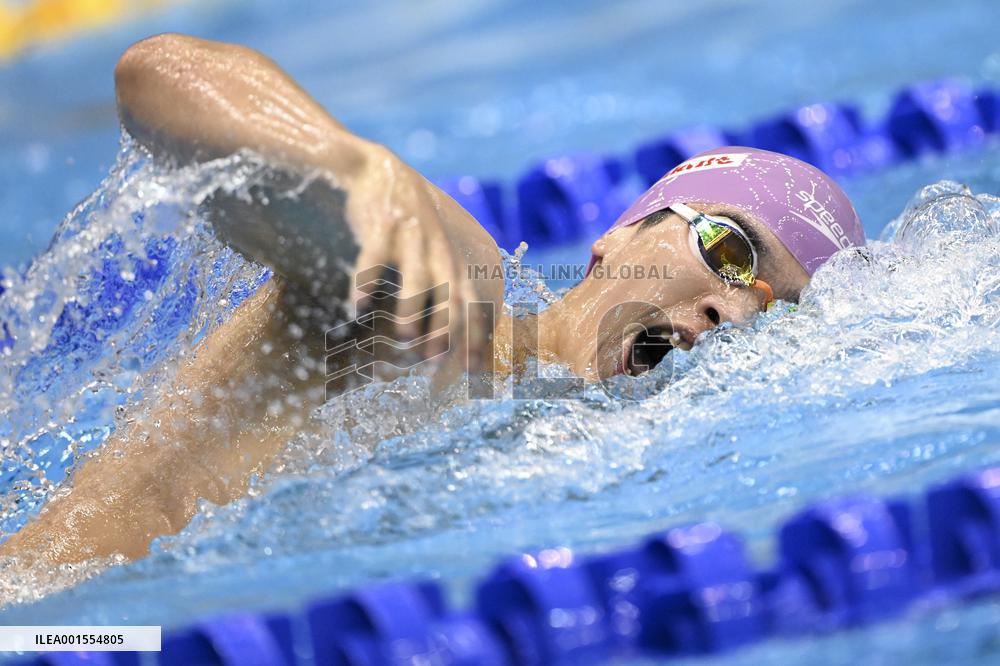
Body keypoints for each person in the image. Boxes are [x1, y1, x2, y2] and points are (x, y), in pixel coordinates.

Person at [0, 34, 864, 566]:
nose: (736, 310)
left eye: (775, 309)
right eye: (728, 247)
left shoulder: (600, 492)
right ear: (618, 240)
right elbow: (158, 74)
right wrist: (344, 162)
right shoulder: (453, 301)